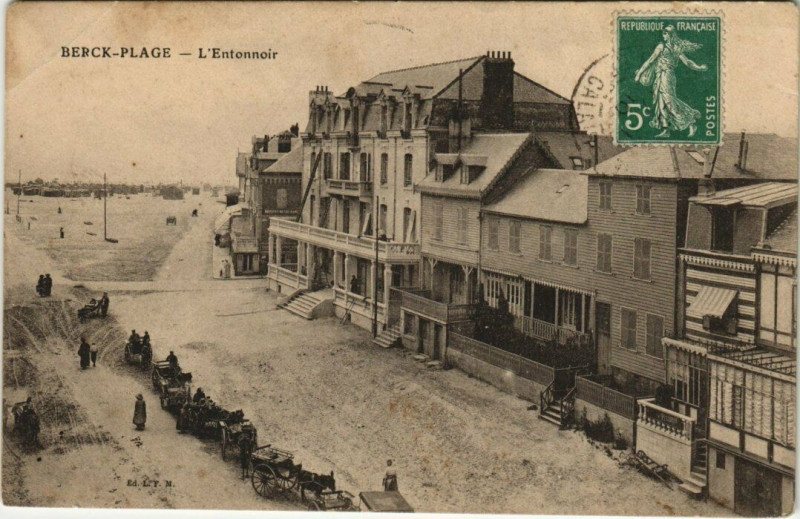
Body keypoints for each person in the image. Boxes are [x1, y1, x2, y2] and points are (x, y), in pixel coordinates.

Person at [634, 25, 708, 138]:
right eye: (663, 33)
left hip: (667, 76)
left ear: (671, 35)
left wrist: (699, 68)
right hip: (660, 76)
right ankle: (666, 129)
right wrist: (639, 73)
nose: (663, 35)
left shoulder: (673, 47)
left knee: (669, 102)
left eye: (665, 33)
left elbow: (687, 62)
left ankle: (690, 123)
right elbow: (650, 60)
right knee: (661, 102)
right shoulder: (664, 46)